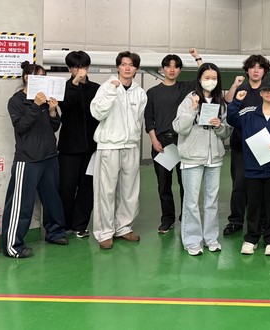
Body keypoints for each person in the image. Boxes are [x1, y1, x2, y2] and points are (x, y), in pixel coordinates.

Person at [2, 61, 68, 258]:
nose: (43, 80)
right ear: (27, 78)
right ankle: (13, 246)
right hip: (28, 160)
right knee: (21, 203)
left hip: (49, 156)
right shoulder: (16, 101)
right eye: (39, 77)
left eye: (44, 77)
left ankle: (55, 233)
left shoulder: (46, 99)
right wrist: (35, 106)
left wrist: (53, 112)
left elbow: (54, 127)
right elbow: (21, 127)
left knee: (52, 199)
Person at [227, 76, 270, 256]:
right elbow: (231, 118)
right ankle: (251, 238)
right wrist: (236, 101)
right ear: (261, 93)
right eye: (266, 90)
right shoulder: (248, 113)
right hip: (252, 168)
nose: (269, 93)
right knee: (253, 205)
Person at [90, 51, 147, 250]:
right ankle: (104, 232)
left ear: (136, 68)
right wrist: (112, 91)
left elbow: (138, 120)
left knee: (130, 191)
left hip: (131, 146)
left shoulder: (140, 93)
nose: (127, 68)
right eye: (123, 64)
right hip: (109, 146)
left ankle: (123, 227)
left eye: (131, 65)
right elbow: (97, 113)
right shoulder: (107, 87)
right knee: (105, 191)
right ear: (118, 67)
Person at [173, 63, 232, 256]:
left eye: (214, 78)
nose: (210, 81)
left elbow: (226, 132)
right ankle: (191, 240)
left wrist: (219, 126)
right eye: (207, 77)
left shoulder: (220, 103)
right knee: (191, 201)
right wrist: (192, 110)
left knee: (212, 200)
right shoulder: (189, 99)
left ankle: (211, 238)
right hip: (192, 157)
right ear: (199, 79)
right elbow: (179, 128)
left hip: (214, 158)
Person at [144, 50, 202, 234]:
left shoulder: (185, 88)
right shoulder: (152, 93)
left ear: (180, 70)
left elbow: (204, 76)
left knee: (186, 183)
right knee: (164, 185)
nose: (171, 70)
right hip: (161, 144)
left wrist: (197, 57)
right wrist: (154, 140)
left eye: (176, 67)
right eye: (168, 66)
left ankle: (186, 217)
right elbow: (149, 119)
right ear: (162, 69)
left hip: (183, 141)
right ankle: (167, 219)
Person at [222, 54, 270, 237]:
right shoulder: (241, 90)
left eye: (260, 67)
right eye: (252, 67)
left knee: (262, 187)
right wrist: (234, 85)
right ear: (246, 70)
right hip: (241, 147)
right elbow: (228, 102)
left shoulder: (269, 91)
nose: (256, 70)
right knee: (239, 185)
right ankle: (236, 220)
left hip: (264, 147)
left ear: (264, 71)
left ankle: (261, 221)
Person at [57, 51, 100, 239]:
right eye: (75, 67)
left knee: (87, 187)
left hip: (91, 148)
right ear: (70, 69)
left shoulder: (96, 88)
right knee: (66, 187)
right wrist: (75, 83)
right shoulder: (63, 88)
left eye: (83, 67)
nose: (80, 70)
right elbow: (66, 105)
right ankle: (64, 224)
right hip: (69, 148)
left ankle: (80, 225)